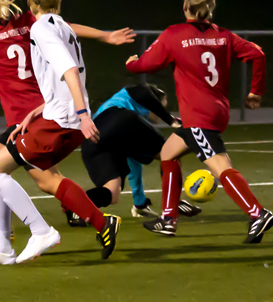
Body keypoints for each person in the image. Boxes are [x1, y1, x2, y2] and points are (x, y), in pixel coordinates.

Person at [0, 0, 134, 255]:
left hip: (38, 117)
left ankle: (47, 230)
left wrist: (80, 113)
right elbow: (64, 29)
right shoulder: (28, 22)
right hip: (41, 108)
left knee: (17, 174)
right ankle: (4, 239)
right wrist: (104, 36)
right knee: (4, 172)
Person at [126, 0, 273, 243]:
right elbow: (258, 54)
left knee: (220, 166)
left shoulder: (175, 34)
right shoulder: (224, 36)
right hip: (217, 112)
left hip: (199, 116)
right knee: (168, 153)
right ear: (211, 6)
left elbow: (146, 65)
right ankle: (168, 219)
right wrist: (256, 92)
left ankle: (257, 213)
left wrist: (132, 64)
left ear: (185, 6)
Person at [80, 84, 202, 219]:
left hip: (92, 142)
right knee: (172, 153)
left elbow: (134, 165)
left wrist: (140, 204)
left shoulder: (122, 113)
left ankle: (74, 206)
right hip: (116, 120)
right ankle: (173, 203)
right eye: (161, 106)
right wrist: (170, 119)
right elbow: (143, 92)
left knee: (112, 191)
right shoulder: (134, 95)